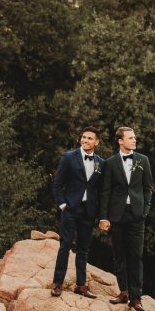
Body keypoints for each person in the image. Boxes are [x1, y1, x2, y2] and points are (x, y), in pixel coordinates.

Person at [98, 126, 153, 311]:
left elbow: (148, 188)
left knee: (136, 256)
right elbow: (105, 191)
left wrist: (145, 210)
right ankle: (124, 292)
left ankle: (136, 297)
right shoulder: (110, 163)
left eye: (134, 137)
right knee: (119, 254)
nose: (134, 140)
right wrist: (103, 217)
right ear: (120, 141)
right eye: (130, 138)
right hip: (116, 215)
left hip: (137, 215)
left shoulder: (143, 160)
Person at [51, 126, 105, 297]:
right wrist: (62, 205)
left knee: (83, 249)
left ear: (96, 142)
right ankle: (57, 283)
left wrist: (100, 214)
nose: (85, 140)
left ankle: (81, 286)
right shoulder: (68, 157)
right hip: (70, 209)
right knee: (65, 246)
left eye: (89, 138)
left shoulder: (100, 163)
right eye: (83, 137)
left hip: (88, 212)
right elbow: (57, 184)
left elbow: (101, 190)